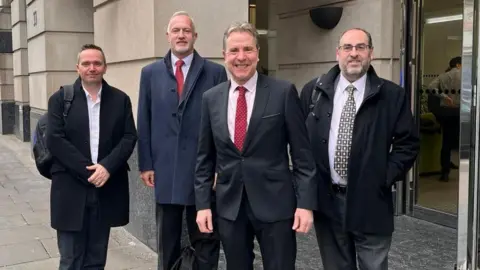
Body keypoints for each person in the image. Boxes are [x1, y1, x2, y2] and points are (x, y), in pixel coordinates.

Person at [195, 21, 317, 270]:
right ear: (225, 56)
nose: (241, 57)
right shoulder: (211, 98)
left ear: (258, 53)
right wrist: (203, 205)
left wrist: (305, 204)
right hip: (230, 207)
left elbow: (302, 155)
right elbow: (203, 159)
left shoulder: (283, 92)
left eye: (248, 50)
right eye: (234, 51)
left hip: (276, 205)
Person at [300, 28, 419, 270]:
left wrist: (382, 178)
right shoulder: (314, 91)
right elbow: (300, 143)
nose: (354, 54)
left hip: (371, 202)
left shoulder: (392, 95)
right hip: (328, 203)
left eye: (360, 47)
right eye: (347, 48)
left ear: (371, 53)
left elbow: (408, 144)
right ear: (338, 53)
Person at [136, 11, 227, 270]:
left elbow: (222, 126)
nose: (181, 35)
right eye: (176, 30)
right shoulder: (149, 73)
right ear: (167, 36)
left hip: (203, 171)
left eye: (186, 30)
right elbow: (144, 120)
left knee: (206, 237)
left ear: (195, 36)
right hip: (165, 170)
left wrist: (219, 167)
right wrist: (146, 164)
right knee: (167, 240)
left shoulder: (215, 72)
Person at [46, 44, 137, 269]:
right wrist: (88, 169)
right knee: (70, 259)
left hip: (105, 189)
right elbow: (55, 140)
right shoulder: (60, 99)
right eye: (86, 63)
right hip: (70, 189)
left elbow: (128, 137)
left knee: (96, 259)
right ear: (77, 68)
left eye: (97, 63)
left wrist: (106, 167)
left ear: (105, 67)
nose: (92, 68)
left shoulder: (120, 99)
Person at [427, 56, 461, 181]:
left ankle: (445, 171)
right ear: (458, 65)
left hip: (447, 112)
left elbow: (431, 88)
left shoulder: (443, 76)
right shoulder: (464, 75)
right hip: (461, 111)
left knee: (446, 141)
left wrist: (443, 96)